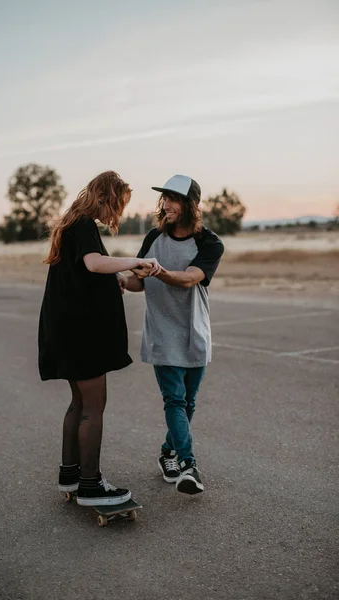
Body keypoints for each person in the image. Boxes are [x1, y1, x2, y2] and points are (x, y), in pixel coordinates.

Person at [38, 171, 160, 506]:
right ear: (106, 196)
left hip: (67, 330)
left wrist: (116, 277)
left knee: (78, 403)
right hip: (81, 335)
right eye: (118, 204)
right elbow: (93, 263)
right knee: (94, 406)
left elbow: (84, 272)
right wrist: (136, 262)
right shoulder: (84, 225)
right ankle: (91, 484)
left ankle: (70, 475)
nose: (116, 214)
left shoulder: (72, 223)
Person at [125, 174, 224, 495]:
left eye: (173, 198)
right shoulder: (154, 237)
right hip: (162, 332)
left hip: (194, 331)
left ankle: (167, 452)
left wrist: (160, 271)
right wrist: (121, 279)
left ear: (190, 205)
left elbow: (189, 278)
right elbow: (138, 282)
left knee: (188, 402)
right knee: (175, 400)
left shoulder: (210, 243)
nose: (165, 204)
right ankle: (188, 464)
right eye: (164, 198)